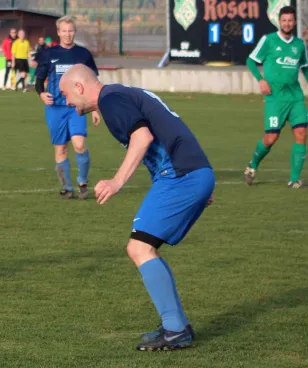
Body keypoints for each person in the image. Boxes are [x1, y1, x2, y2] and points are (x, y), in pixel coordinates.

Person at [60, 64, 215, 350]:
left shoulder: (110, 99)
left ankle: (175, 328)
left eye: (66, 94)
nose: (67, 102)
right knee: (144, 247)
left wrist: (117, 181)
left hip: (181, 174)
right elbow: (172, 128)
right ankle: (176, 326)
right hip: (190, 172)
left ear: (79, 87)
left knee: (139, 248)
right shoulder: (122, 93)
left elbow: (143, 138)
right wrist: (201, 176)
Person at [35, 16, 100, 200]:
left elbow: (93, 82)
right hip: (55, 108)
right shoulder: (49, 53)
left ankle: (83, 181)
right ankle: (66, 187)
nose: (67, 34)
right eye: (64, 31)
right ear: (58, 32)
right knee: (61, 148)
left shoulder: (83, 54)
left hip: (77, 107)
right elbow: (39, 80)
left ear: (74, 31)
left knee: (79, 144)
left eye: (70, 30)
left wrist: (94, 108)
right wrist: (41, 94)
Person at [244, 6, 307, 188]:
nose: (287, 23)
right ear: (279, 22)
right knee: (271, 138)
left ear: (295, 22)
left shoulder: (299, 45)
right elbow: (250, 60)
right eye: (284, 20)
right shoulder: (269, 40)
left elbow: (304, 67)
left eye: (290, 20)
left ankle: (294, 179)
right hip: (275, 98)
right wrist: (261, 80)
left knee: (301, 134)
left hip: (295, 97)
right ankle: (252, 165)